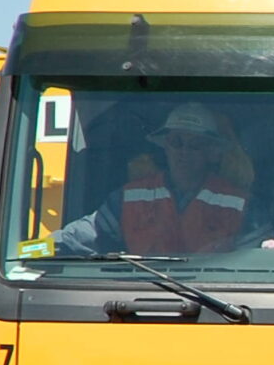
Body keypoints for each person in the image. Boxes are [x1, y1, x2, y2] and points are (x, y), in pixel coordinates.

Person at [55, 102, 253, 256]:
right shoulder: (127, 198)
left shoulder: (241, 204)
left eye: (195, 144)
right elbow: (75, 238)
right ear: (165, 146)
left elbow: (262, 253)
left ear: (212, 153)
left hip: (214, 297)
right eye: (176, 142)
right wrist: (28, 250)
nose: (184, 152)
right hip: (140, 291)